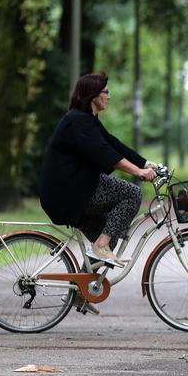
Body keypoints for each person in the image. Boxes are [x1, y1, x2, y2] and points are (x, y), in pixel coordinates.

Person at [39, 73, 158, 268]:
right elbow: (103, 153)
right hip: (69, 193)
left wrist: (145, 163)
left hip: (75, 190)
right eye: (106, 92)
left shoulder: (87, 120)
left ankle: (80, 292)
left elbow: (113, 144)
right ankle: (100, 247)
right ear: (94, 95)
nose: (109, 96)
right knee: (133, 193)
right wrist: (137, 172)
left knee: (108, 239)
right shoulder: (77, 121)